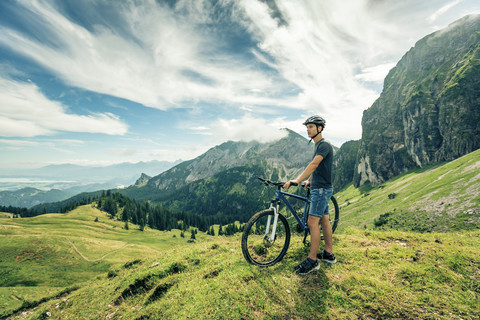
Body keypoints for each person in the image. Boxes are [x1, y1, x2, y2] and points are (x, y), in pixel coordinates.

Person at [283, 115, 336, 275]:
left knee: (312, 222)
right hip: (320, 187)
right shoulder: (319, 145)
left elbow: (314, 163)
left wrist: (298, 180)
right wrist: (310, 180)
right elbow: (319, 167)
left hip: (321, 190)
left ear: (320, 128)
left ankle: (312, 261)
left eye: (311, 127)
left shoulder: (324, 145)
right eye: (307, 127)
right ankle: (329, 254)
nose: (308, 129)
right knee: (324, 220)